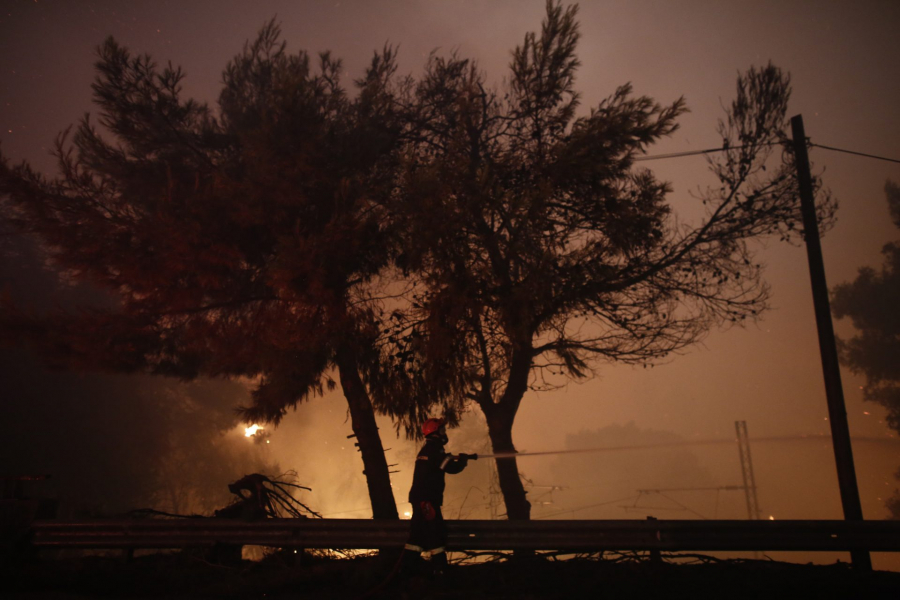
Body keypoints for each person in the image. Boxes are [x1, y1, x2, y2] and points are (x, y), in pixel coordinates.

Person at [402, 417, 469, 576]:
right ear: (436, 432)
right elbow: (451, 468)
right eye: (442, 430)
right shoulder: (435, 450)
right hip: (427, 501)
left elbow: (440, 463)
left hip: (423, 499)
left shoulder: (428, 449)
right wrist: (463, 461)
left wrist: (452, 458)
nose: (444, 433)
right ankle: (439, 568)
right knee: (435, 531)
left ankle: (407, 569)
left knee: (418, 534)